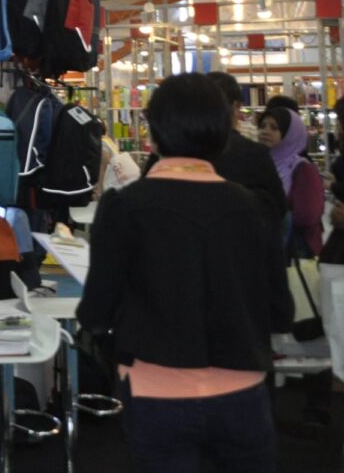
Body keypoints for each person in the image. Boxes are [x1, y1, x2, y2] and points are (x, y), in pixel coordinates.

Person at [78, 73, 290, 473]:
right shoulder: (253, 209)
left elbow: (95, 313)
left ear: (154, 136)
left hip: (156, 392)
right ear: (224, 135)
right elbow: (281, 310)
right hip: (242, 392)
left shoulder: (124, 207)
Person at [204, 72, 288, 238]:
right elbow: (279, 208)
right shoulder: (255, 154)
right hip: (244, 243)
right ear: (236, 106)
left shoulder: (186, 152)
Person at [259, 106, 324, 258]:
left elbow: (307, 215)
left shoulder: (302, 169)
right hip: (268, 249)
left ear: (290, 134)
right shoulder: (261, 164)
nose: (265, 131)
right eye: (262, 126)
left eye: (274, 128)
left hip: (296, 251)